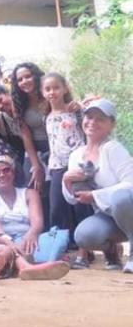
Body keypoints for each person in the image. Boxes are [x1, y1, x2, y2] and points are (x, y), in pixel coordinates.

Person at [63, 99, 133, 273]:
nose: (92, 122)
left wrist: (94, 195)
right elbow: (73, 200)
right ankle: (111, 251)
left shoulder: (113, 148)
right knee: (83, 236)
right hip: (108, 216)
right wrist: (66, 181)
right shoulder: (76, 155)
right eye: (89, 117)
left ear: (111, 125)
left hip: (127, 209)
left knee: (121, 198)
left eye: (100, 119)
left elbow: (131, 183)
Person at [0, 155, 71, 280]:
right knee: (4, 249)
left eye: (6, 170)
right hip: (2, 239)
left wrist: (32, 234)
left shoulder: (30, 193)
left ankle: (23, 264)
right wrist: (9, 242)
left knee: (57, 237)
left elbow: (37, 222)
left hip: (28, 238)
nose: (1, 175)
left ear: (14, 172)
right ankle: (27, 266)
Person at [42, 72, 92, 266]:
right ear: (43, 92)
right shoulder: (46, 117)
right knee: (57, 208)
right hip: (56, 167)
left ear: (64, 89)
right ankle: (59, 252)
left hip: (76, 164)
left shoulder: (76, 111)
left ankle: (84, 252)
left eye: (56, 87)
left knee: (81, 206)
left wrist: (81, 108)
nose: (52, 92)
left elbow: (89, 129)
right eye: (47, 89)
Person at [0, 84, 44, 188]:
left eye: (0, 100)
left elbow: (27, 135)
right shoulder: (3, 118)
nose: (0, 106)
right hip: (31, 152)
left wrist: (36, 165)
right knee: (31, 183)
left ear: (7, 93)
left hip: (45, 145)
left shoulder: (24, 107)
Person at [11, 62, 48, 191]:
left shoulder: (49, 93)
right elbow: (25, 135)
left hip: (57, 145)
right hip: (35, 147)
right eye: (20, 79)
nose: (24, 81)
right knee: (32, 184)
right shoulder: (18, 102)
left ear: (36, 76)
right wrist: (36, 165)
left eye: (28, 76)